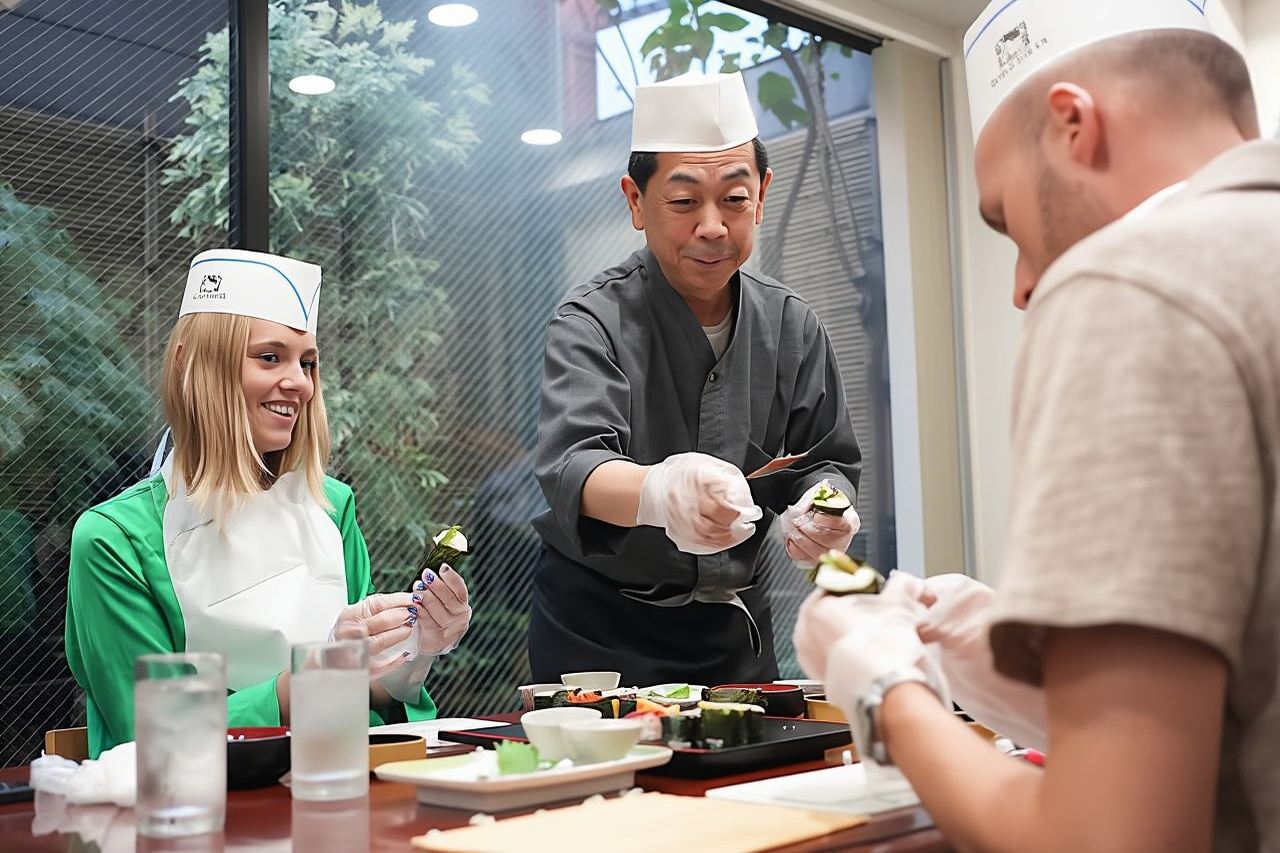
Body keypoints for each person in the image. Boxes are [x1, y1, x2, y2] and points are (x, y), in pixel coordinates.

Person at [794, 0, 1280, 848]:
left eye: (1008, 219)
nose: (1022, 285)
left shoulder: (1130, 287)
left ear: (1072, 125)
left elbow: (1106, 841)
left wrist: (882, 684)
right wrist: (1033, 669)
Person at [65, 250, 472, 757]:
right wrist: (312, 678)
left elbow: (372, 700)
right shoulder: (114, 540)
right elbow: (152, 739)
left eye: (308, 363)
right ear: (190, 363)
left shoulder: (332, 507)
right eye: (269, 357)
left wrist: (414, 650)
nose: (300, 383)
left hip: (337, 785)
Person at [531, 72, 863, 686]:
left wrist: (826, 510)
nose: (712, 226)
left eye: (734, 199)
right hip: (599, 634)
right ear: (636, 201)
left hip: (734, 632)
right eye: (684, 203)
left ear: (761, 196)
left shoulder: (792, 325)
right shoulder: (592, 320)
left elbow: (824, 460)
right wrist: (659, 492)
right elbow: (575, 465)